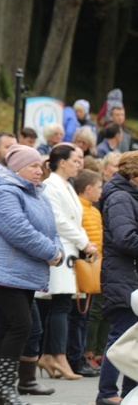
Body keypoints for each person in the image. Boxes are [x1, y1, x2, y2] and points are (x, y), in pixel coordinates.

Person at [0, 144, 64, 405]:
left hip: (23, 273)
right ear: (17, 168)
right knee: (20, 325)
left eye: (41, 166)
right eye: (33, 166)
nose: (40, 171)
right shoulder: (3, 191)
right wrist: (51, 252)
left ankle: (0, 389)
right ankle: (2, 387)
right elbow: (18, 230)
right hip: (3, 272)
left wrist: (57, 248)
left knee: (11, 327)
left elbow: (52, 228)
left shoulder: (38, 194)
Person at [38, 144, 98, 381]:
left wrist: (84, 243)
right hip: (62, 249)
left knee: (63, 305)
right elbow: (59, 220)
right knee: (60, 305)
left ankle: (52, 355)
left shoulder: (67, 186)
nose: (79, 164)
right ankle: (56, 355)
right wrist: (84, 242)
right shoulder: (51, 184)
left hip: (71, 251)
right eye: (75, 160)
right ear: (62, 162)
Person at [95, 151, 138, 404]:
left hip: (129, 275)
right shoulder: (121, 197)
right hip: (123, 276)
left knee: (132, 339)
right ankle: (107, 392)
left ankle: (128, 392)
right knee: (122, 335)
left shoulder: (128, 195)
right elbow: (125, 238)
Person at [76, 170, 109, 371]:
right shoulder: (78, 208)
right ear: (89, 189)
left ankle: (96, 351)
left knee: (98, 310)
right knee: (88, 311)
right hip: (85, 265)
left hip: (99, 264)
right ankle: (87, 351)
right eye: (99, 187)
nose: (101, 191)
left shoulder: (95, 211)